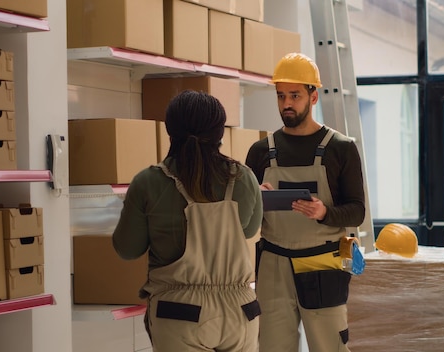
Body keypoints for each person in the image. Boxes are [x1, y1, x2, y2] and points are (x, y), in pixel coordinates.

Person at [113, 90, 263, 351]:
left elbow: (127, 249)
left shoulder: (148, 182)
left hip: (180, 313)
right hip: (241, 312)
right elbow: (249, 230)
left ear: (169, 132)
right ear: (220, 133)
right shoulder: (244, 177)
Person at [245, 52, 366, 352]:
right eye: (281, 95)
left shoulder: (341, 148)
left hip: (323, 261)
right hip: (273, 263)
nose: (286, 103)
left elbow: (357, 210)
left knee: (329, 347)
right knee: (272, 346)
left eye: (295, 95)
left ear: (313, 97)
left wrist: (325, 212)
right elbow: (244, 220)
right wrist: (255, 198)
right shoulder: (261, 151)